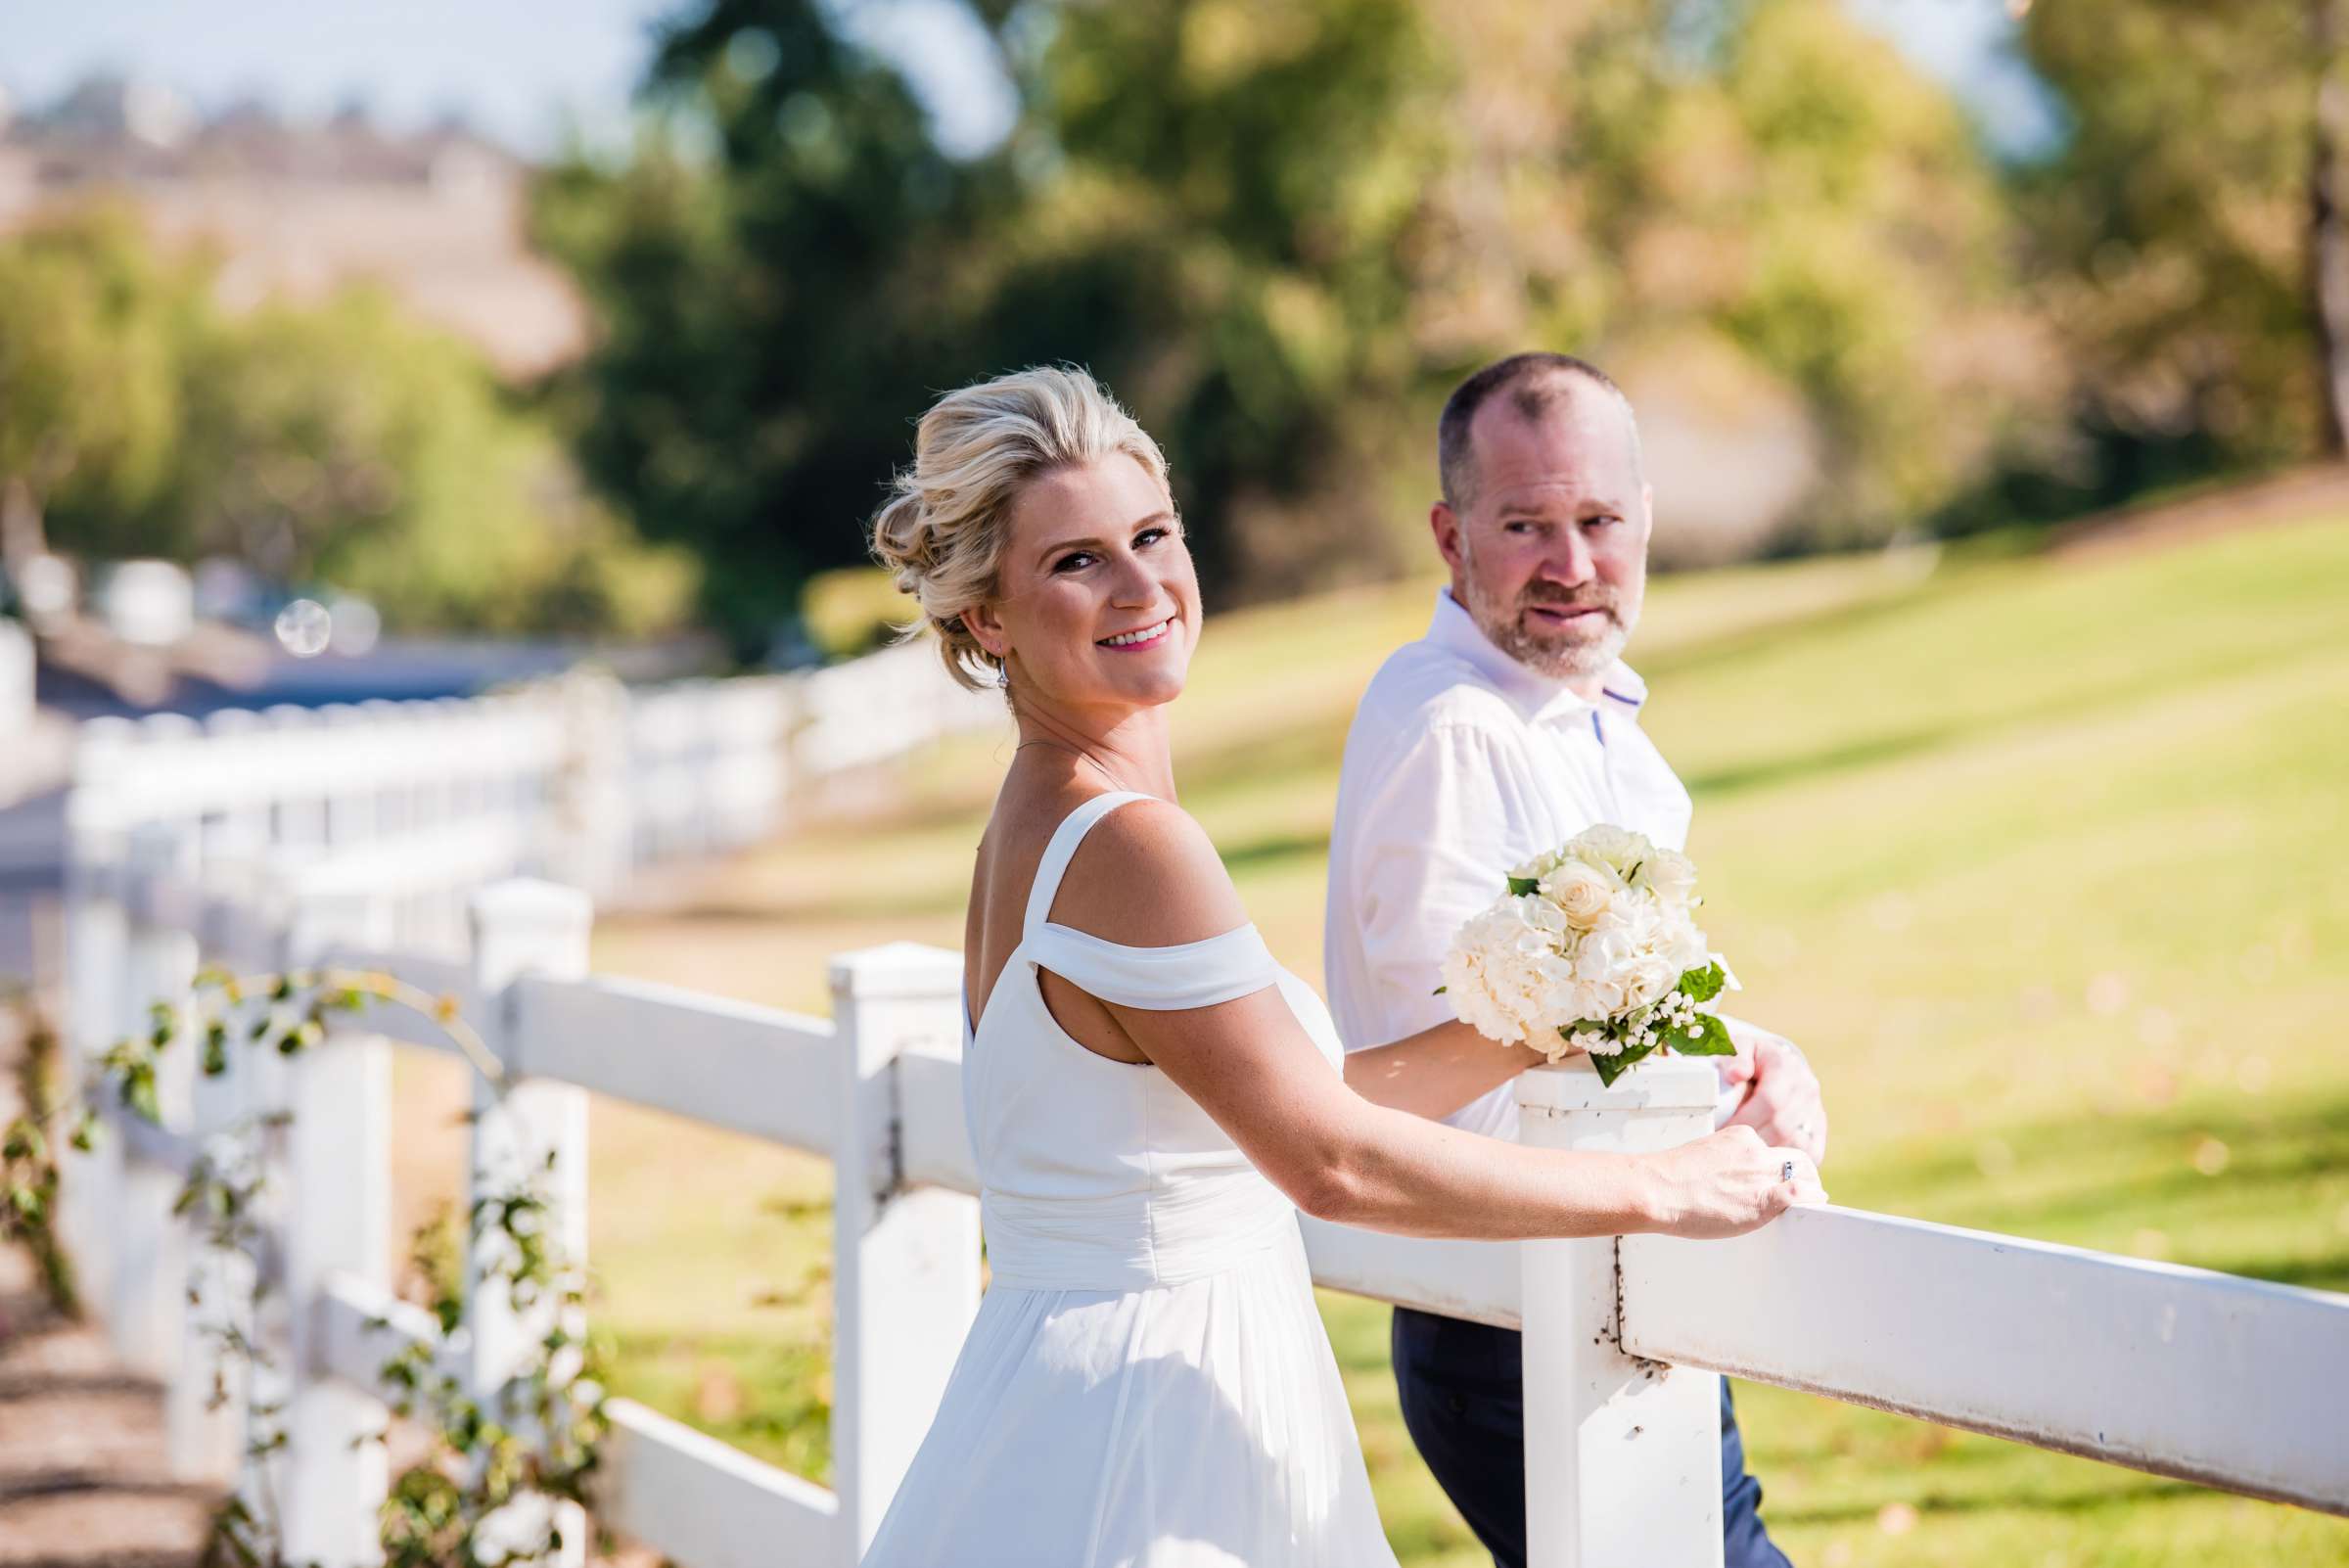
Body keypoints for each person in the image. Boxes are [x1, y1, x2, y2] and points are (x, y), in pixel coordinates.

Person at [858, 364, 1824, 1567]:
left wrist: (1598, 1001)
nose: (1141, 583)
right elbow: (1327, 1159)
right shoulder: (1129, 846)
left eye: (1153, 535)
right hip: (1152, 1424)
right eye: (1076, 561)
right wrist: (1667, 1190)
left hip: (1096, 1381)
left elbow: (1297, 1100)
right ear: (987, 617)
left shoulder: (1041, 819)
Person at [1324, 351, 1831, 1568]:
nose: (1571, 564)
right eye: (1525, 526)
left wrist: (1741, 1057)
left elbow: (1604, 1019)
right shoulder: (1456, 731)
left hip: (1624, 1286)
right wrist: (1620, 1032)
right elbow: (1435, 1089)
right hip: (1517, 1316)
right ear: (1451, 537)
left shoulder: (1588, 714)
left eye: (1599, 520)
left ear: (1643, 518)